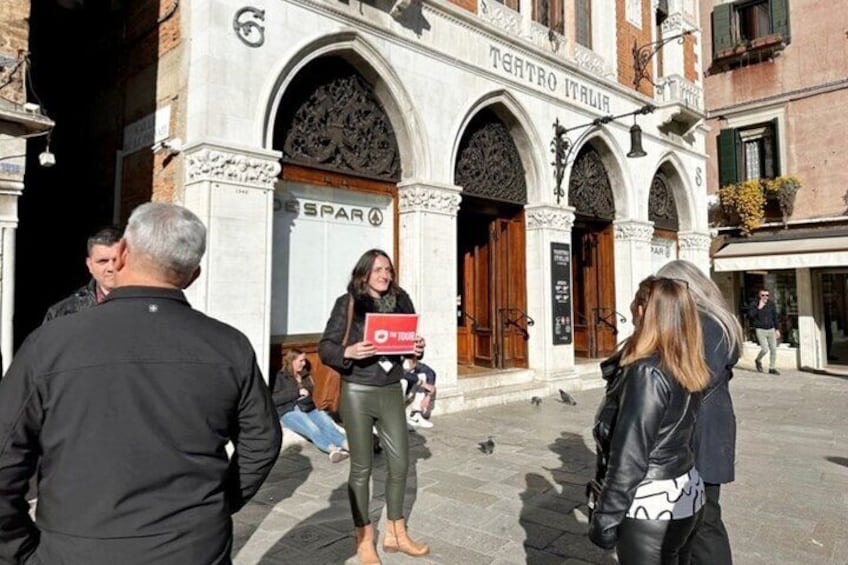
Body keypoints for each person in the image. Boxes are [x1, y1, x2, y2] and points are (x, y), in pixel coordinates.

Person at [0, 203, 282, 565]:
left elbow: (5, 456)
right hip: (193, 546)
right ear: (193, 274)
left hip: (77, 548)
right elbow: (263, 440)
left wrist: (18, 551)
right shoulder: (229, 345)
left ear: (120, 254)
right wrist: (219, 503)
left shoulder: (50, 343)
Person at [319, 248, 428, 564]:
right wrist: (349, 351)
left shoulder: (402, 302)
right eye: (379, 269)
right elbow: (326, 346)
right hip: (358, 391)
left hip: (391, 388)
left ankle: (396, 532)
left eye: (388, 270)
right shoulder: (348, 303)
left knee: (400, 463)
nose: (385, 275)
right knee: (362, 467)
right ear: (364, 273)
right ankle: (364, 538)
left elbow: (407, 346)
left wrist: (416, 348)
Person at [589, 276, 708, 565]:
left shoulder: (647, 373)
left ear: (643, 310)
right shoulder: (685, 361)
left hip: (649, 502)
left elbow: (630, 454)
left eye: (635, 302)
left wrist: (605, 518)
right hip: (686, 492)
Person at [658, 260, 743, 564]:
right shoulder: (713, 320)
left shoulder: (708, 323)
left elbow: (700, 378)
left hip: (704, 431)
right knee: (696, 516)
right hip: (708, 426)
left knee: (704, 519)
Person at [273, 348, 350, 463]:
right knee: (312, 428)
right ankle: (332, 450)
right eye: (301, 361)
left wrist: (307, 395)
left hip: (308, 407)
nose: (304, 364)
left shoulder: (305, 375)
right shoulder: (280, 377)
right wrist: (297, 392)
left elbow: (310, 394)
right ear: (292, 361)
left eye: (304, 361)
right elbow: (274, 399)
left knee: (327, 424)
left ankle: (349, 446)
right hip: (288, 411)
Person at [43, 226, 121, 322]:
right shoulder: (62, 313)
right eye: (103, 261)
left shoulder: (144, 307)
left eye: (117, 260)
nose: (111, 268)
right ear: (89, 265)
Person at [746, 288, 780, 374]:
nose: (765, 297)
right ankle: (758, 360)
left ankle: (772, 368)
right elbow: (750, 315)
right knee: (765, 349)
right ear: (759, 295)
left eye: (767, 295)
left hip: (771, 329)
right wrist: (759, 308)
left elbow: (775, 317)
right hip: (760, 330)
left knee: (774, 349)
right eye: (763, 295)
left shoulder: (771, 304)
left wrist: (777, 329)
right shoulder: (754, 304)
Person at [401, 357, 436, 429]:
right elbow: (399, 373)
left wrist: (428, 396)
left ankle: (414, 415)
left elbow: (430, 372)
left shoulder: (413, 360)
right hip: (388, 394)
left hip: (407, 394)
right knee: (403, 382)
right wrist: (421, 383)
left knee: (422, 375)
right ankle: (399, 420)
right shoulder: (397, 359)